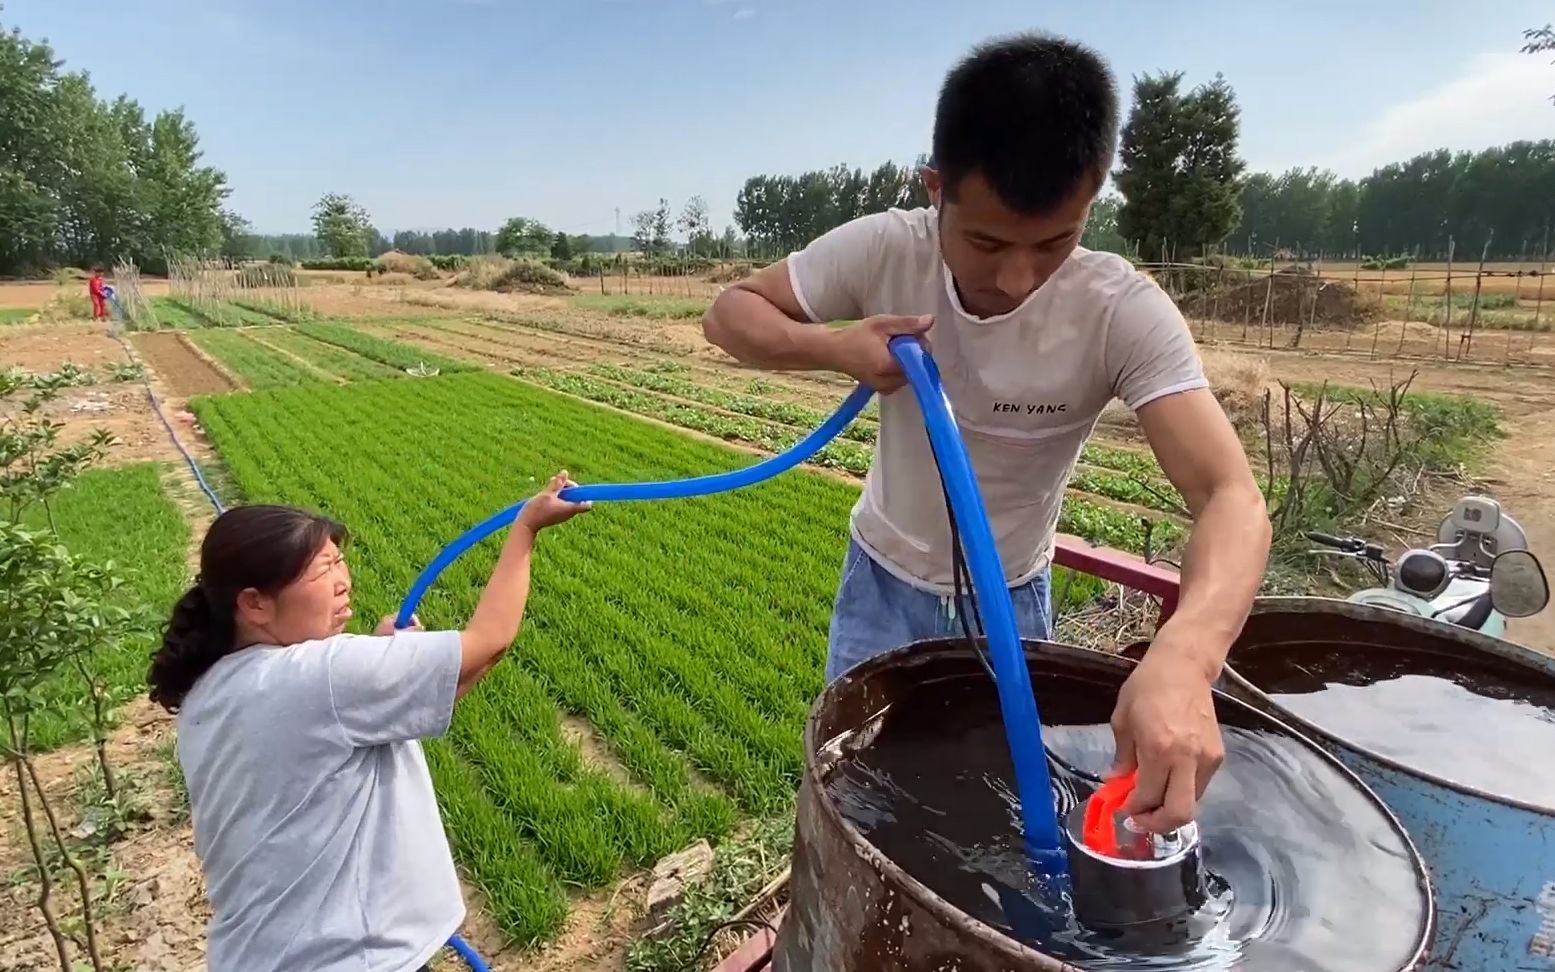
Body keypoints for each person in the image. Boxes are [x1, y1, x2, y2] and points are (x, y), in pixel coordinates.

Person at [703, 33, 1271, 832]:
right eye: (986, 242)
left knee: (1000, 814)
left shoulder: (1118, 311)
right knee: (858, 805)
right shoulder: (883, 247)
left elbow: (1229, 495)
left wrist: (1185, 655)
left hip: (1013, 599)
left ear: (1093, 195)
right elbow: (729, 315)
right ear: (936, 187)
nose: (1015, 278)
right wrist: (833, 346)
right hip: (882, 586)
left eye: (1053, 242)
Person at [146, 472, 589, 972]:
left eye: (340, 561)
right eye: (321, 571)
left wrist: (379, 660)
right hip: (350, 957)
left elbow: (314, 725)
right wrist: (525, 531)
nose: (342, 580)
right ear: (254, 603)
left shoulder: (212, 690)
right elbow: (486, 646)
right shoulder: (322, 677)